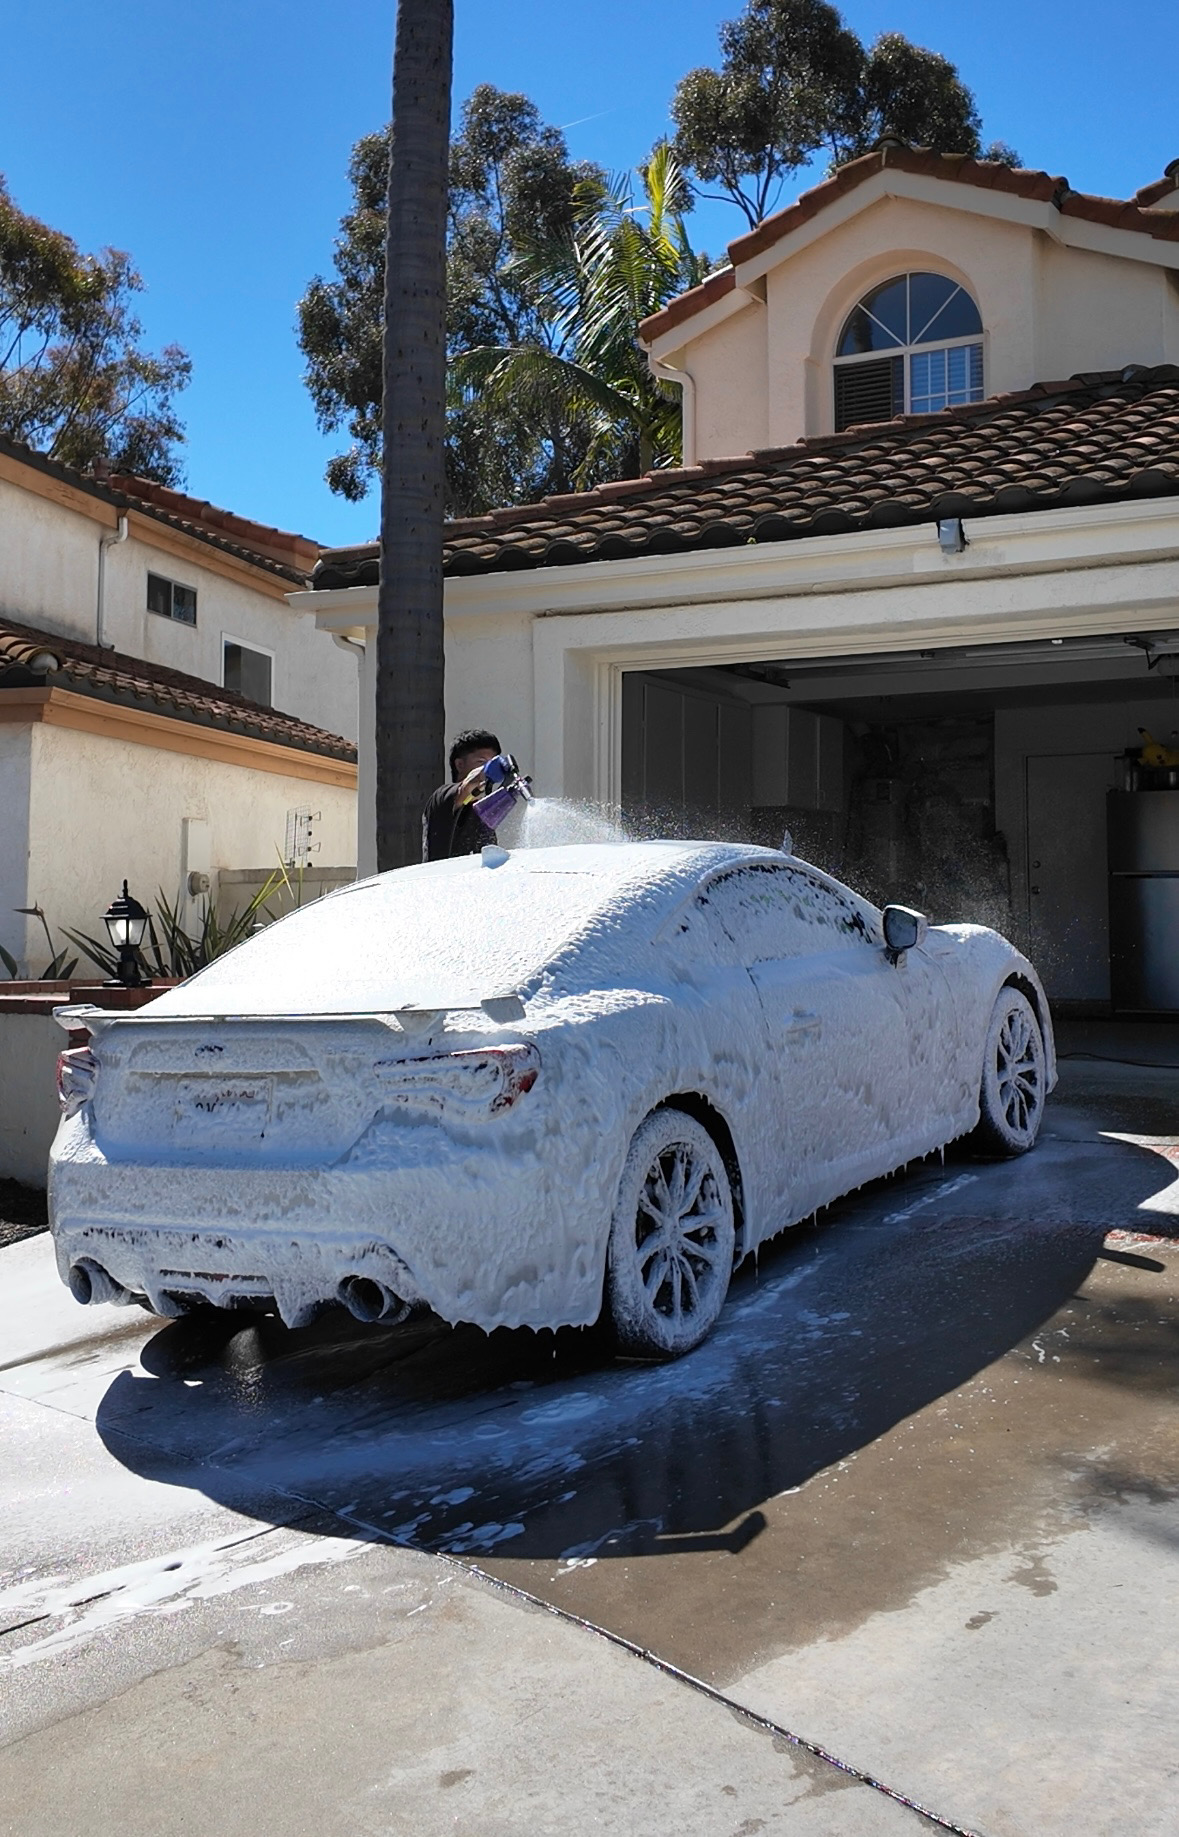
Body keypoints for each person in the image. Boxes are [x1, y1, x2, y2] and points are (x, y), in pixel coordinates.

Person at [422, 728, 504, 862]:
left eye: (493, 762)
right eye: (481, 762)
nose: (489, 768)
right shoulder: (442, 796)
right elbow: (466, 789)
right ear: (460, 765)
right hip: (444, 879)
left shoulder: (481, 809)